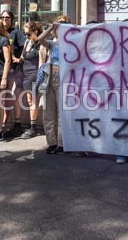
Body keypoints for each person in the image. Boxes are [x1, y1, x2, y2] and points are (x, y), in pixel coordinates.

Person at [41, 15, 71, 154]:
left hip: (63, 78)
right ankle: (51, 142)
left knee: (61, 112)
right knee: (48, 112)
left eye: (63, 23)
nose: (60, 25)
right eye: (59, 23)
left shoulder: (71, 41)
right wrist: (51, 28)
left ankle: (61, 142)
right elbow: (40, 39)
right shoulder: (53, 43)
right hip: (49, 78)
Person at [18, 21, 46, 139]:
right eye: (25, 34)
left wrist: (40, 78)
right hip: (25, 73)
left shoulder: (41, 44)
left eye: (28, 34)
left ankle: (32, 126)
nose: (26, 36)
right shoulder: (27, 42)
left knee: (33, 101)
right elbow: (22, 57)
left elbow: (42, 63)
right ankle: (31, 125)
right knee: (29, 101)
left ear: (35, 31)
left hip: (34, 73)